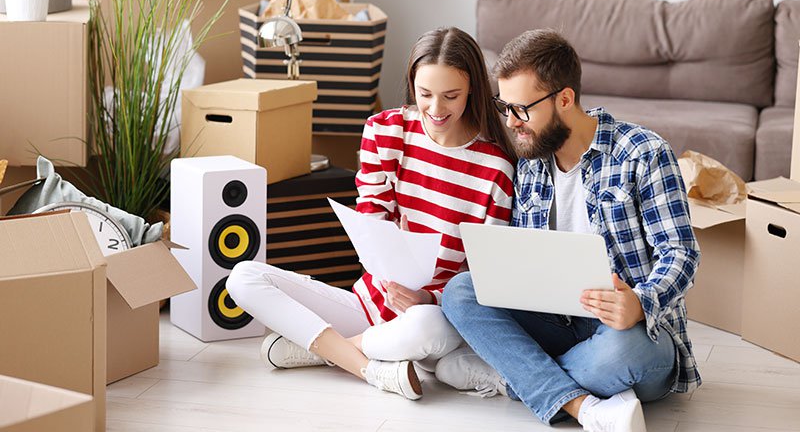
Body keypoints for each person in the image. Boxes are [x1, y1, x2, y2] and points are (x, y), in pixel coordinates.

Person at [226, 27, 516, 400]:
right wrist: (388, 275)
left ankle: (325, 349)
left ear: (472, 89)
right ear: (411, 83)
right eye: (424, 94)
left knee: (424, 331)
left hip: (433, 316)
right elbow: (372, 222)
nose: (436, 109)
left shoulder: (495, 168)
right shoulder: (385, 131)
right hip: (371, 301)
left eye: (451, 96)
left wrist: (428, 298)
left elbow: (481, 276)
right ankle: (371, 369)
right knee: (243, 277)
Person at [435, 29, 701, 432]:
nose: (511, 122)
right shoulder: (531, 161)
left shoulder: (644, 152)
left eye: (521, 109)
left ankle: (513, 376)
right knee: (461, 291)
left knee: (620, 356)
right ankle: (581, 402)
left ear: (564, 98)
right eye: (505, 106)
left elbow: (681, 252)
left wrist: (642, 303)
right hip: (555, 321)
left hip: (628, 330)